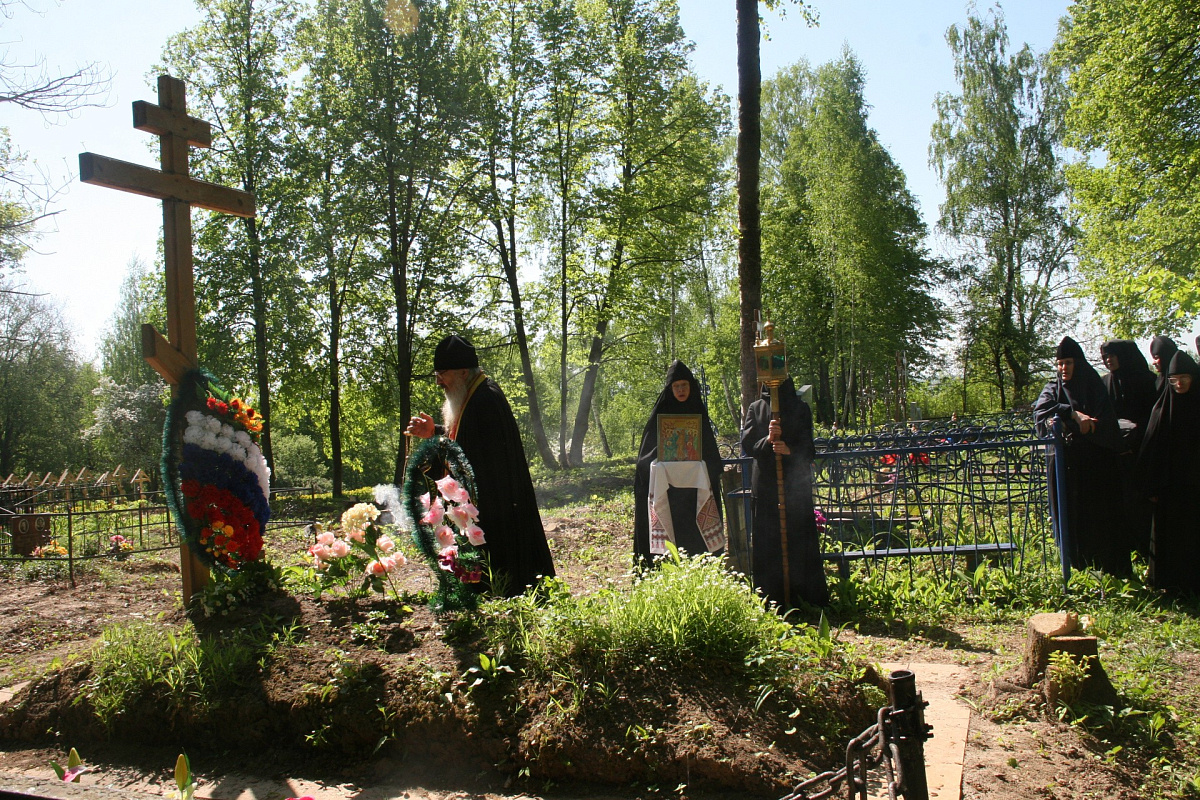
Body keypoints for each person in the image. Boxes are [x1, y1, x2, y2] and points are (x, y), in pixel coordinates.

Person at [405, 335, 555, 596]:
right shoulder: (474, 395)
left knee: (507, 574)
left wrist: (437, 458)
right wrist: (435, 432)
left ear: (463, 372)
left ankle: (506, 591)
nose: (438, 381)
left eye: (442, 374)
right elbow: (466, 439)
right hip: (491, 497)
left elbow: (473, 452)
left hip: (499, 500)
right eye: (436, 375)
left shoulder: (486, 399)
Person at [1034, 336, 1130, 575]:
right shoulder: (1053, 388)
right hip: (1064, 465)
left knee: (1099, 520)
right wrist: (1073, 414)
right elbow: (1042, 413)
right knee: (1070, 519)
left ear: (1078, 363)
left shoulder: (1093, 386)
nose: (1063, 368)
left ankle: (1108, 571)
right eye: (1060, 363)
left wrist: (1085, 425)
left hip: (1096, 466)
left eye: (1068, 363)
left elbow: (1104, 424)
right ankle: (1077, 569)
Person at [740, 377, 829, 609]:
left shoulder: (800, 408)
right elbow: (748, 445)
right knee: (768, 538)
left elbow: (808, 448)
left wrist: (789, 450)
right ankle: (772, 598)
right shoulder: (756, 408)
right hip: (766, 484)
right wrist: (768, 440)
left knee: (797, 535)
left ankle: (803, 597)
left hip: (793, 484)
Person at [633, 361, 724, 566]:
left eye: (684, 385)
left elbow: (711, 455)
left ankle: (702, 562)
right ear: (670, 389)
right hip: (669, 492)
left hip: (694, 495)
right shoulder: (660, 413)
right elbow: (645, 457)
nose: (681, 390)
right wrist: (661, 457)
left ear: (691, 387)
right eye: (676, 386)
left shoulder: (698, 412)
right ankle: (662, 562)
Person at [1137, 351, 1200, 595]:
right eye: (1174, 379)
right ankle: (1169, 585)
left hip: (1195, 487)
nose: (1179, 383)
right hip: (1169, 489)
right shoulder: (1161, 411)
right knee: (1170, 537)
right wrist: (1151, 486)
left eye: (1184, 377)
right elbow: (1151, 451)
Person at [1100, 339, 1158, 557]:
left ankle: (1147, 551)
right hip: (1116, 454)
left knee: (1141, 506)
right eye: (1105, 356)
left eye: (1112, 355)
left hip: (1142, 453)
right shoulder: (1105, 383)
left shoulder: (1147, 381)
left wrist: (1135, 435)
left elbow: (1154, 416)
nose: (1108, 360)